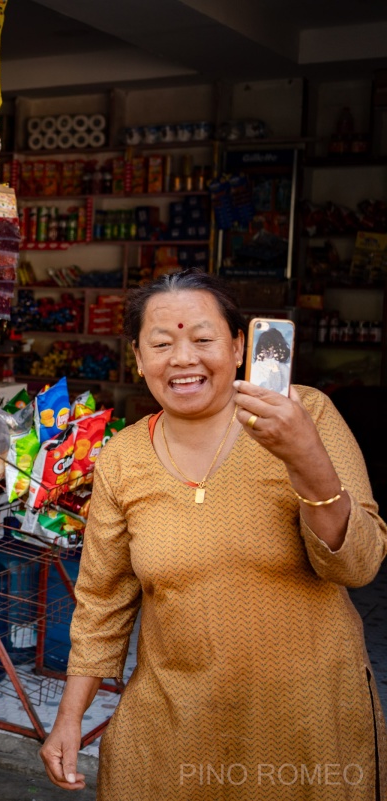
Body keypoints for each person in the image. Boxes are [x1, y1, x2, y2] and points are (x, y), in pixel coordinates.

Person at [38, 270, 386, 799]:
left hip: (306, 724)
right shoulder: (122, 458)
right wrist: (68, 718)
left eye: (203, 340)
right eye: (161, 343)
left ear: (240, 346)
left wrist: (306, 458)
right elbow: (101, 601)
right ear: (137, 357)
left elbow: (357, 566)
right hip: (173, 724)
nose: (183, 359)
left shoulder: (306, 413)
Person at [249, 325, 291, 395]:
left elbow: (280, 390)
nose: (266, 351)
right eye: (263, 347)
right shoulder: (255, 367)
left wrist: (275, 371)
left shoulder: (283, 368)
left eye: (270, 348)